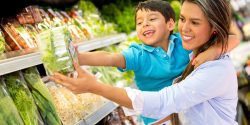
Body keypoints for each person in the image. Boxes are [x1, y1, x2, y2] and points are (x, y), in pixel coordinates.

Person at [51, 0, 239, 124]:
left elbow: (165, 101)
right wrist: (78, 56)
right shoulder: (142, 54)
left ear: (169, 24)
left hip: (163, 110)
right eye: (183, 19)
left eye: (195, 22)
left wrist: (96, 87)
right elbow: (110, 57)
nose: (185, 28)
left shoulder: (204, 61)